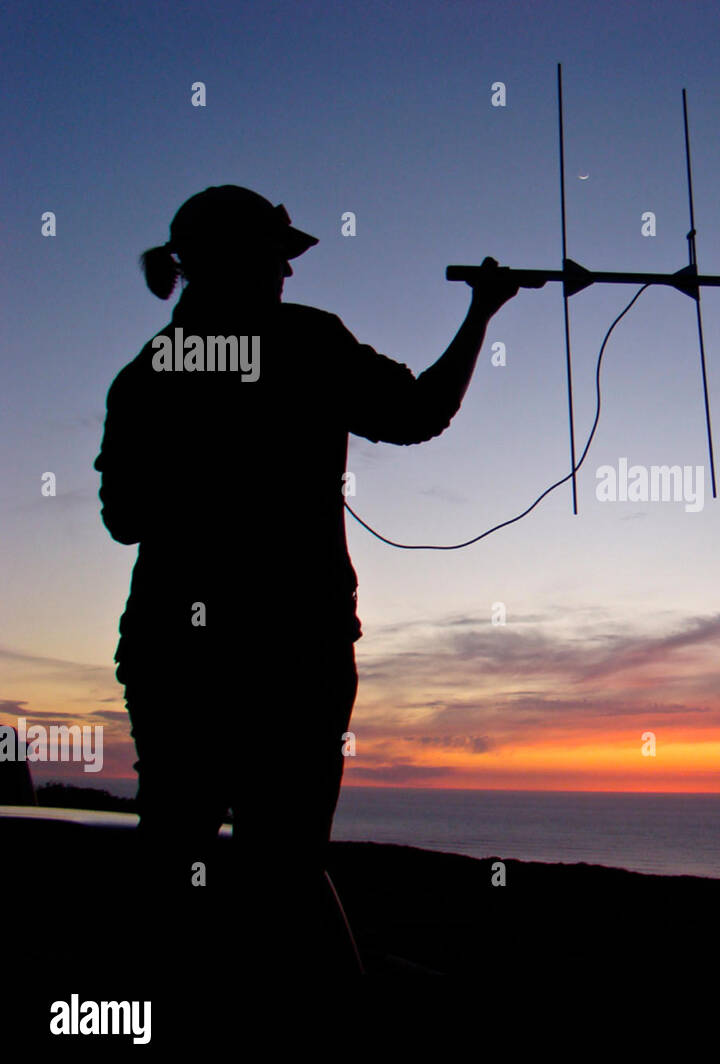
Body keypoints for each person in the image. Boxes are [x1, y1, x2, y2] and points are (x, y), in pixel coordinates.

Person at [93, 184, 520, 977]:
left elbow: (123, 516)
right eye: (276, 261)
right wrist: (482, 313)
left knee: (175, 851)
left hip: (175, 654)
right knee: (286, 862)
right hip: (293, 654)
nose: (287, 278)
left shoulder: (147, 373)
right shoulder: (307, 344)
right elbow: (421, 411)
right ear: (241, 265)